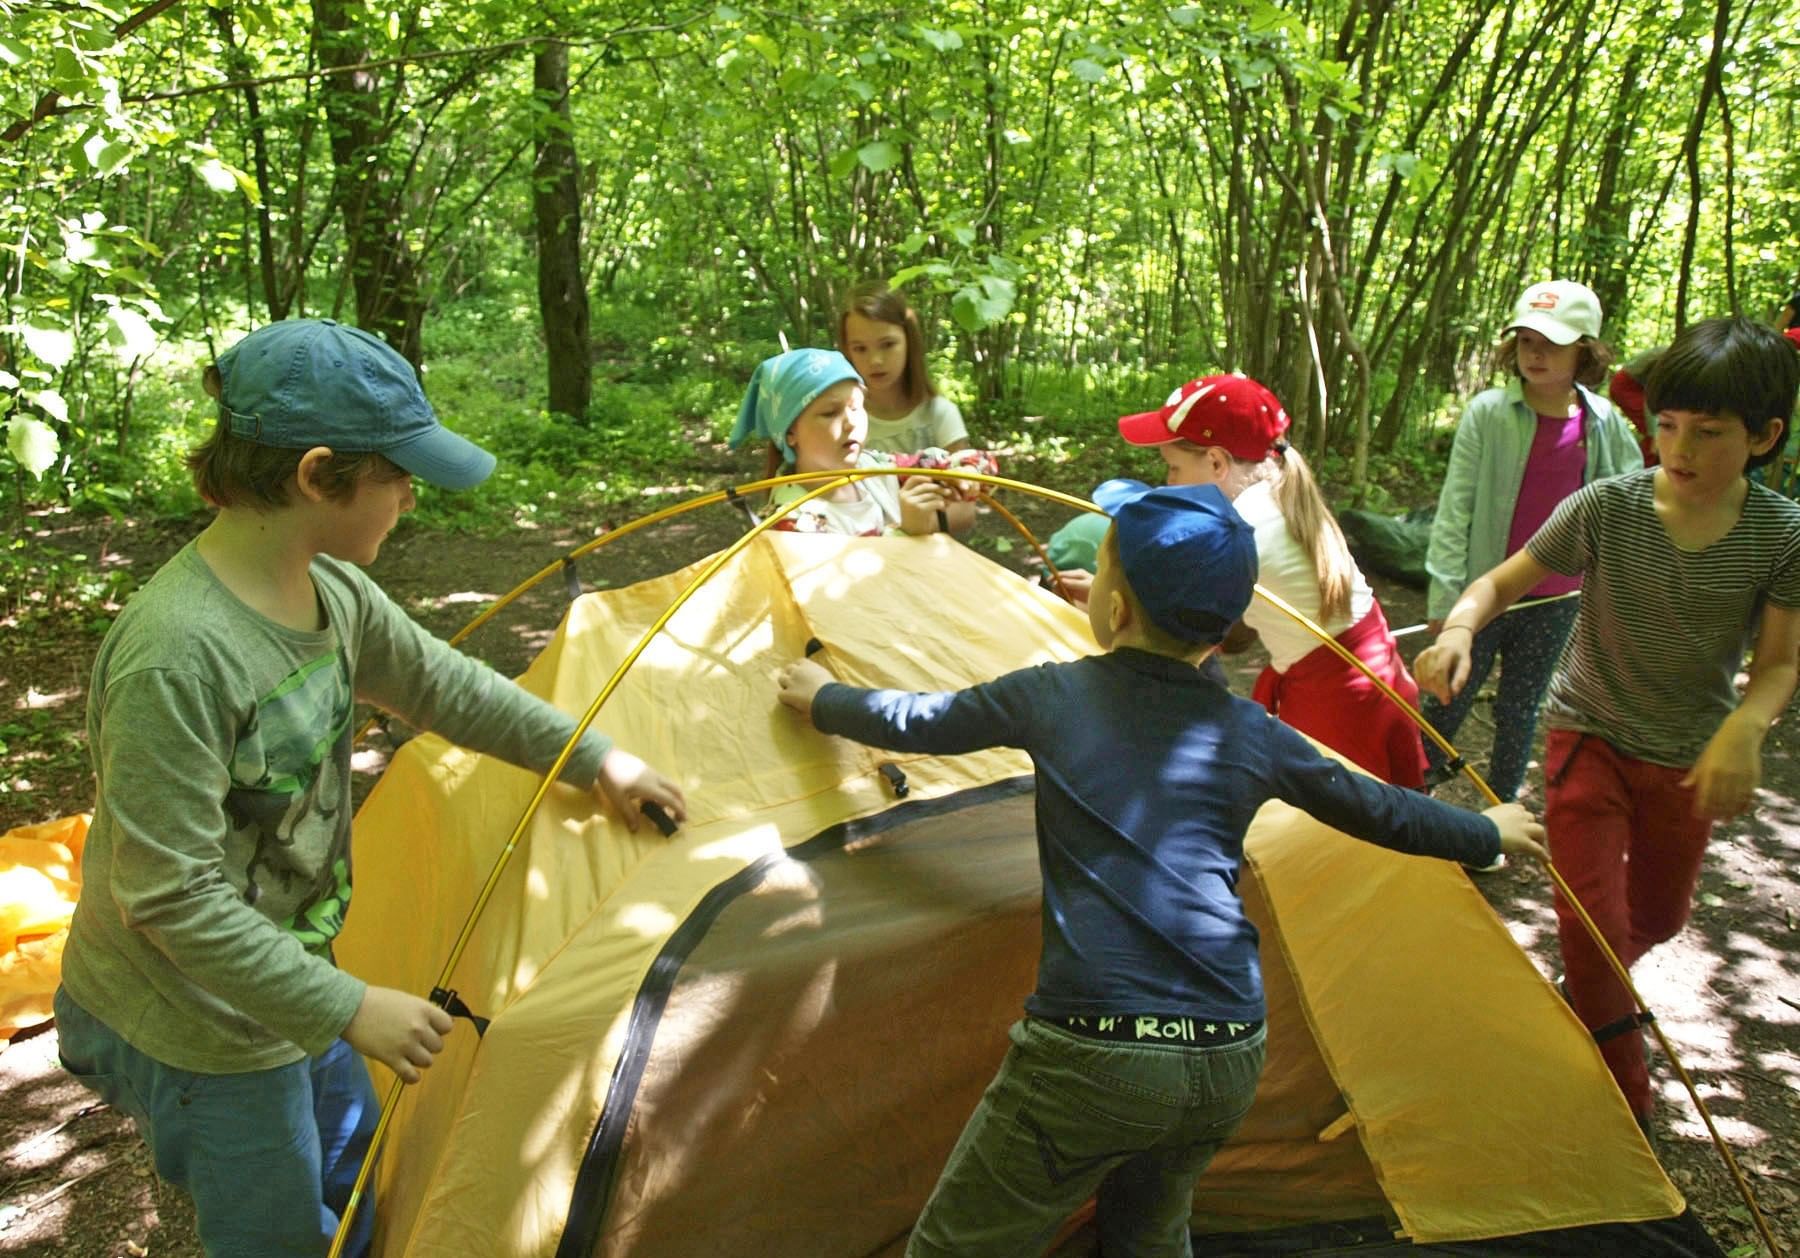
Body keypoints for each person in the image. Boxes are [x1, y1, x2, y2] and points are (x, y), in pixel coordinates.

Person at [776, 481, 1548, 1258]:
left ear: (1113, 611)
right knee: (1149, 1231)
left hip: (1095, 1049)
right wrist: (1483, 832)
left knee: (958, 1246)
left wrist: (824, 698)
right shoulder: (1250, 731)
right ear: (1227, 627)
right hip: (1226, 1051)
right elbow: (1379, 808)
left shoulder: (1054, 695)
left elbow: (922, 723)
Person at [52, 318, 688, 1258]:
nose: (409, 500)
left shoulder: (330, 590)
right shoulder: (176, 657)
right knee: (274, 1229)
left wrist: (594, 760)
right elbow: (169, 895)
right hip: (194, 1021)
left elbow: (443, 685)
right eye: (397, 477)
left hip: (291, 981)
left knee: (354, 1175)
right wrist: (352, 1008)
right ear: (317, 476)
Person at [1414, 315, 1800, 1139]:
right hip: (1586, 737)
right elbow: (1501, 583)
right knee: (1591, 920)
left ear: (1764, 436)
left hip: (1684, 758)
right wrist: (1456, 630)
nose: (1680, 448)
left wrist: (1746, 728)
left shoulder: (1782, 535)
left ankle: (1579, 1004)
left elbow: (1777, 664)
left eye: (1708, 432)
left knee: (1654, 921)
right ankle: (1622, 1100)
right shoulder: (1607, 508)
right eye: (1665, 426)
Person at [1112, 373, 1431, 788]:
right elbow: (1234, 632)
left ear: (1216, 463)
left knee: (1339, 827)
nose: (1167, 482)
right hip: (1363, 679)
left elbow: (1174, 630)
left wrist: (1113, 604)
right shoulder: (1277, 495)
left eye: (1173, 468)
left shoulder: (1245, 529)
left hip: (1341, 703)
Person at [1422, 281, 1642, 805]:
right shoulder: (1490, 413)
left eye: (1552, 342)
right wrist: (1443, 596)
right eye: (1525, 340)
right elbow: (1456, 509)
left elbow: (1629, 507)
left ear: (1584, 351)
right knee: (1447, 698)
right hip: (1482, 596)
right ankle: (1412, 799)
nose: (1535, 353)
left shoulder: (1604, 422)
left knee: (1522, 708)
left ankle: (1499, 818)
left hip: (1558, 600)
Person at [730, 347, 977, 537]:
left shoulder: (874, 468)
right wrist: (908, 532)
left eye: (857, 407)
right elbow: (849, 595)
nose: (852, 422)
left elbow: (941, 462)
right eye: (830, 413)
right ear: (789, 433)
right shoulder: (792, 521)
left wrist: (965, 471)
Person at [838, 281, 970, 454]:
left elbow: (964, 476)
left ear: (909, 340)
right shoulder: (843, 422)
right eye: (860, 348)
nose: (875, 360)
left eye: (887, 344)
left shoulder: (939, 413)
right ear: (847, 351)